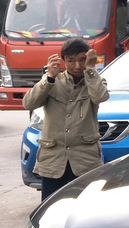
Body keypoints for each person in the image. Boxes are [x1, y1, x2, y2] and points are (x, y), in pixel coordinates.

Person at [23, 37, 109, 200]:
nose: (77, 66)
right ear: (63, 61)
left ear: (89, 59)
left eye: (82, 60)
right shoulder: (52, 81)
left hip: (84, 159)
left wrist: (90, 69)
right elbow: (28, 103)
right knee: (50, 207)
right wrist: (49, 78)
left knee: (83, 208)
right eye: (71, 61)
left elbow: (100, 97)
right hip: (54, 159)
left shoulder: (94, 80)